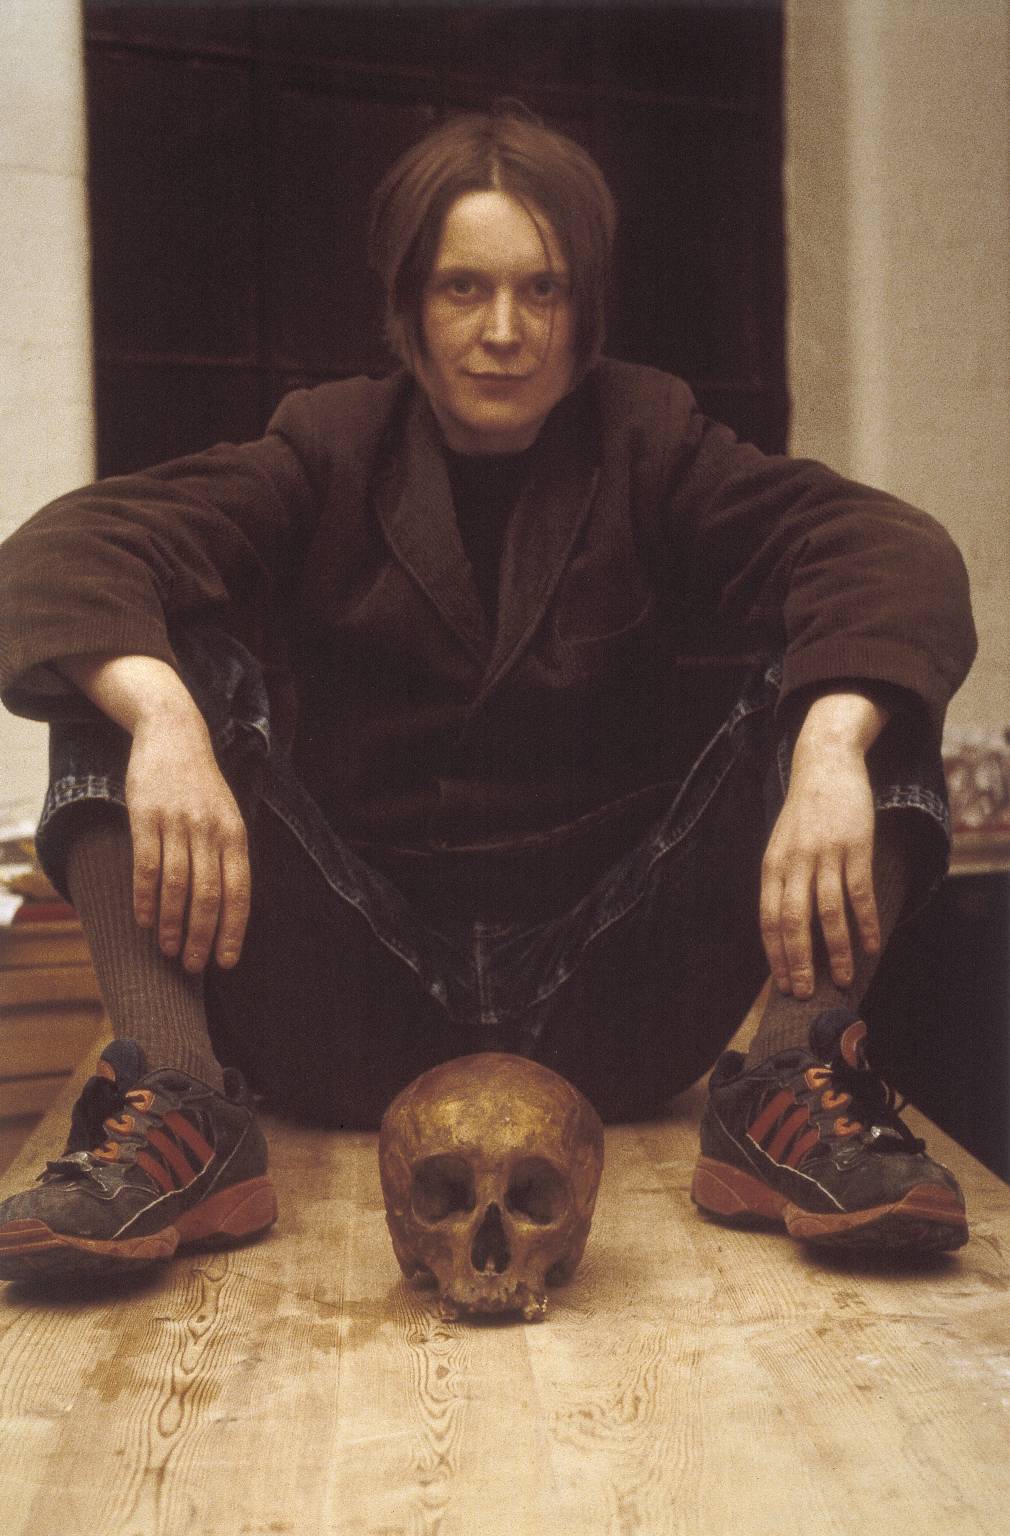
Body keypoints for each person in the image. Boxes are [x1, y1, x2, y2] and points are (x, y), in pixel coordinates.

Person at [0, 106, 976, 1285]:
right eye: (463, 288)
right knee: (110, 674)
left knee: (870, 681)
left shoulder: (650, 436)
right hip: (349, 1001)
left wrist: (827, 740)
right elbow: (63, 553)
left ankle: (786, 1083)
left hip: (609, 997)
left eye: (541, 291)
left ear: (584, 312)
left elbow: (892, 553)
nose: (503, 332)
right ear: (410, 305)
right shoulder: (327, 443)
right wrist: (164, 717)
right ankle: (178, 1102)